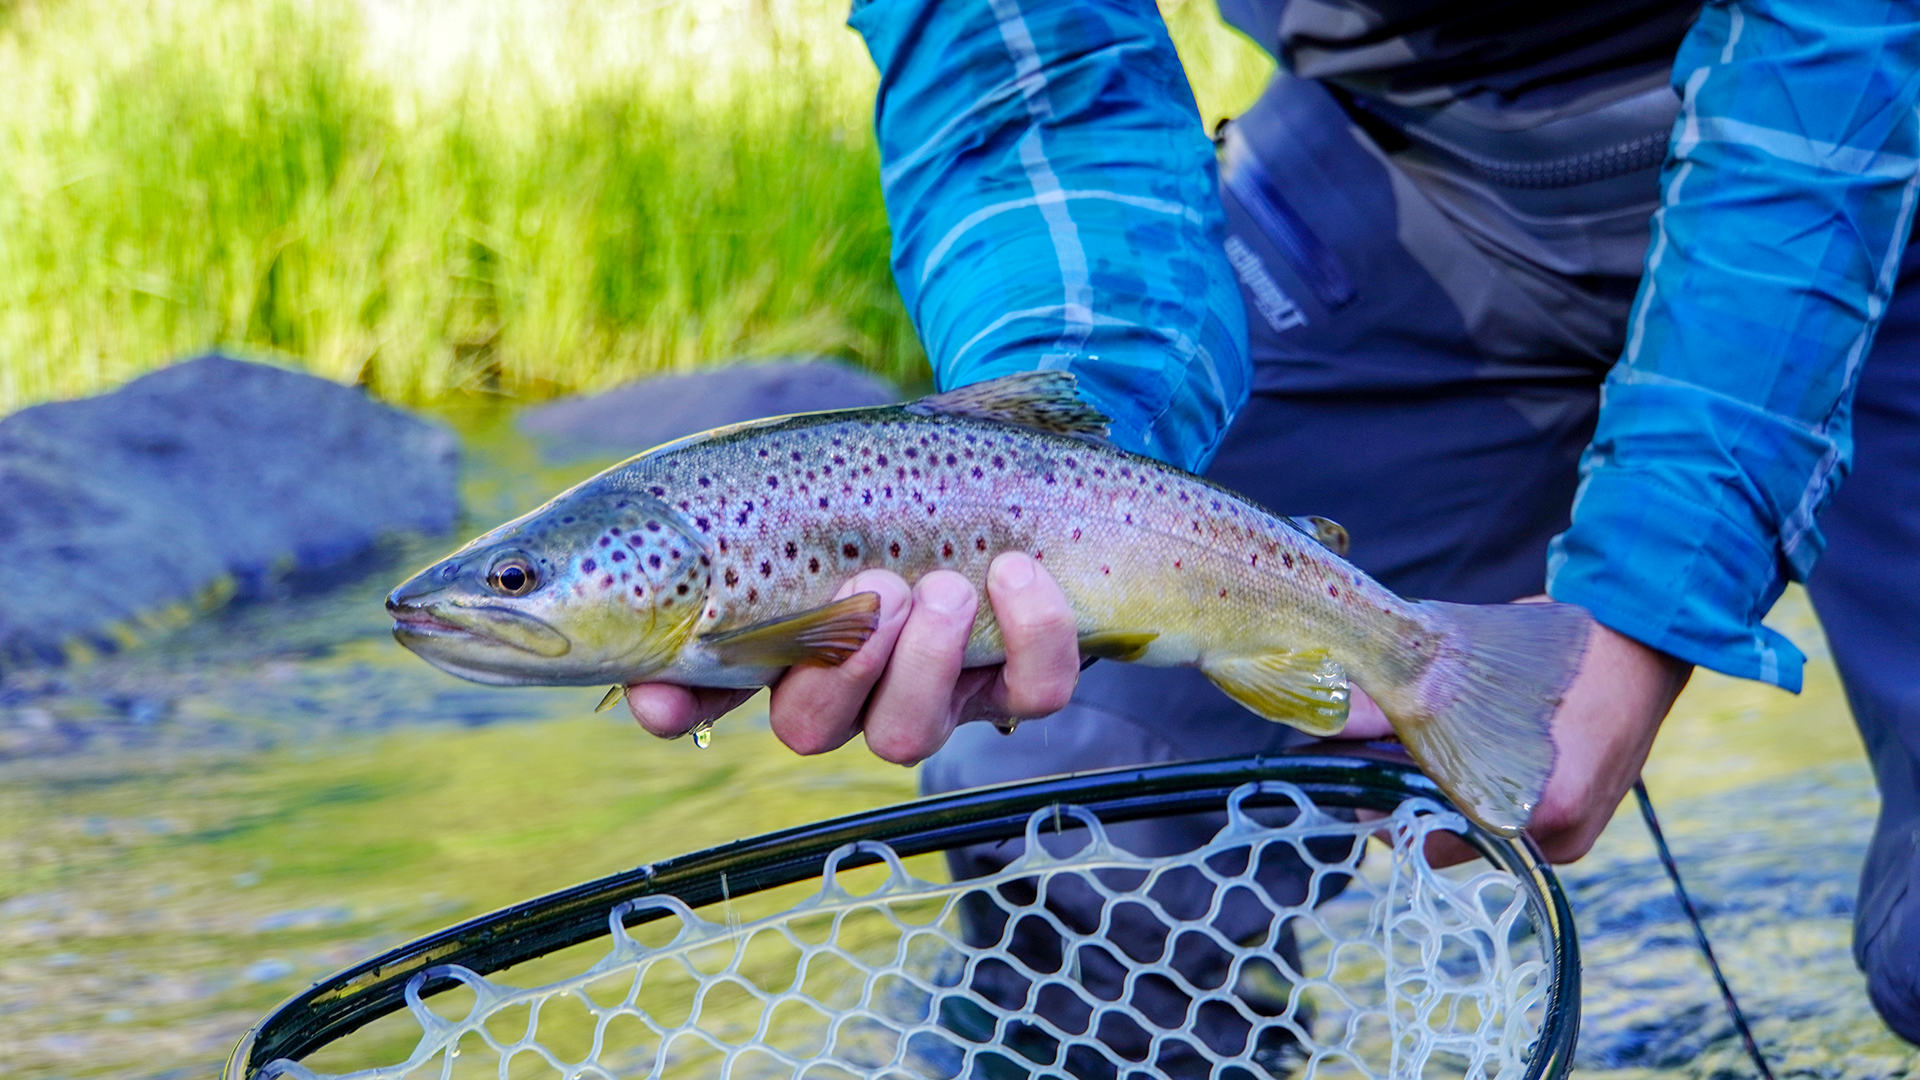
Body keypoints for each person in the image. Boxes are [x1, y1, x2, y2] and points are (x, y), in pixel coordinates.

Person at [625, 0, 1920, 1048]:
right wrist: (1067, 443)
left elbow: (1832, 69)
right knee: (1073, 794)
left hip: (1872, 139)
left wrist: (1644, 605)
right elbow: (1026, 65)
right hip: (1413, 171)